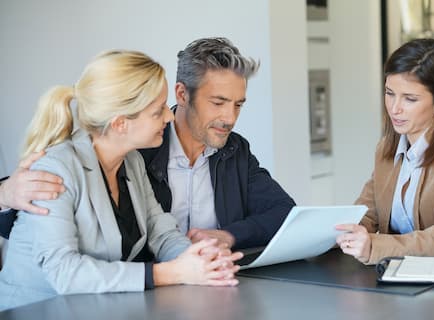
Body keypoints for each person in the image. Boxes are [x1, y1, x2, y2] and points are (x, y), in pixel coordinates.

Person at [0, 50, 242, 311]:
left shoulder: (132, 162)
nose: (169, 116)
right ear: (120, 124)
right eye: (157, 110)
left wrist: (201, 259)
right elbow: (64, 272)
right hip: (31, 316)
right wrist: (170, 273)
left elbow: (161, 232)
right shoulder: (56, 169)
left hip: (91, 314)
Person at [0, 37, 296, 249]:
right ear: (182, 94)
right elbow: (25, 223)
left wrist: (229, 235)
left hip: (203, 285)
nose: (229, 118)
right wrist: (4, 194)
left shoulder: (235, 150)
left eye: (238, 105)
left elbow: (284, 212)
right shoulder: (134, 146)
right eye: (218, 102)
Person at [335, 38, 434, 265]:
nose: (394, 108)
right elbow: (367, 214)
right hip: (399, 280)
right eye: (389, 93)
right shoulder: (387, 148)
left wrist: (376, 245)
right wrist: (338, 233)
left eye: (410, 99)